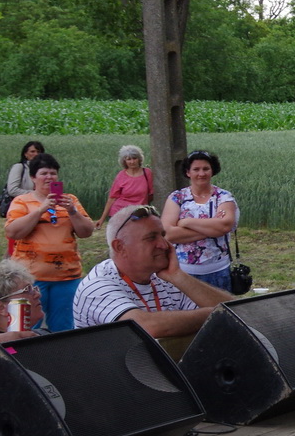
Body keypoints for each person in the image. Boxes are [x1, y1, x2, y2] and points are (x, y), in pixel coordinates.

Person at [73, 204, 235, 336]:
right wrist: (217, 313)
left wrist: (178, 276)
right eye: (151, 238)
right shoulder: (97, 285)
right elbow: (146, 327)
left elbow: (237, 312)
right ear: (120, 247)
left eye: (163, 235)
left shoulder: (163, 278)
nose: (164, 244)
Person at [5, 152, 93, 332]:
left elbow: (86, 232)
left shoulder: (70, 200)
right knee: (23, 327)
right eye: (44, 173)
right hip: (29, 277)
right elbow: (13, 232)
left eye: (53, 173)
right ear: (33, 178)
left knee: (64, 327)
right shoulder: (22, 201)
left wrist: (72, 211)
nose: (49, 177)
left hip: (67, 276)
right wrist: (41, 210)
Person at [161, 150, 237, 292]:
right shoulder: (177, 197)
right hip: (184, 272)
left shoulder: (223, 197)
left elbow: (225, 226)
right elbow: (168, 234)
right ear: (188, 172)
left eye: (206, 169)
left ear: (212, 171)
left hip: (218, 271)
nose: (201, 173)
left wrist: (186, 222)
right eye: (196, 169)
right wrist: (213, 228)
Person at [104, 144, 154, 218]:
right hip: (119, 212)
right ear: (125, 161)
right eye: (129, 159)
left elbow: (151, 194)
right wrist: (102, 219)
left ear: (139, 159)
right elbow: (112, 198)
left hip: (139, 212)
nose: (132, 162)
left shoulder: (147, 173)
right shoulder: (121, 175)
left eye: (134, 158)